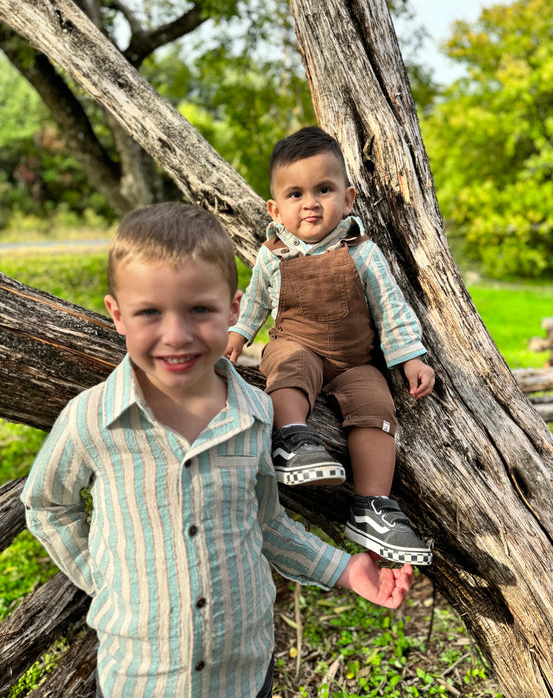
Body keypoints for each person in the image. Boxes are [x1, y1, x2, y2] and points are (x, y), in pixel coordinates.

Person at [21, 202, 414, 698]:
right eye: (149, 313)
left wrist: (343, 568)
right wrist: (105, 580)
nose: (177, 335)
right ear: (117, 314)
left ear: (233, 309)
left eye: (199, 310)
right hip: (139, 680)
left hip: (244, 676)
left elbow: (266, 523)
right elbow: (47, 505)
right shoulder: (91, 420)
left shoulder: (255, 415)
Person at [225, 126, 435, 567]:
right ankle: (292, 437)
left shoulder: (362, 253)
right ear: (275, 208)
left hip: (354, 361)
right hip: (296, 343)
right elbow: (257, 301)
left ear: (349, 198)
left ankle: (371, 506)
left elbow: (390, 307)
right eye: (296, 194)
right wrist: (239, 336)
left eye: (324, 189)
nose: (311, 203)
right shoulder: (274, 254)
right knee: (288, 363)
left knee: (376, 406)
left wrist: (411, 357)